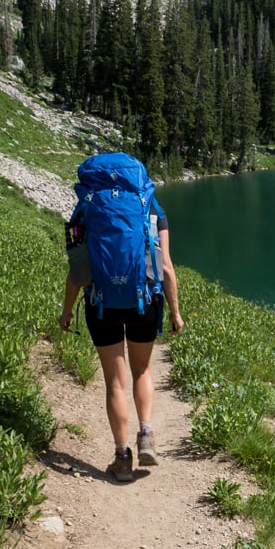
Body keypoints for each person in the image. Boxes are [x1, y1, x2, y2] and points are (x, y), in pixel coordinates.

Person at [58, 195, 183, 481]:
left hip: (101, 304)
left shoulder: (87, 209)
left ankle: (122, 458)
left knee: (115, 380)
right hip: (144, 302)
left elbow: (77, 267)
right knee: (142, 369)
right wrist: (175, 311)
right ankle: (147, 436)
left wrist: (66, 311)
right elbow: (165, 266)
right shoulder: (152, 207)